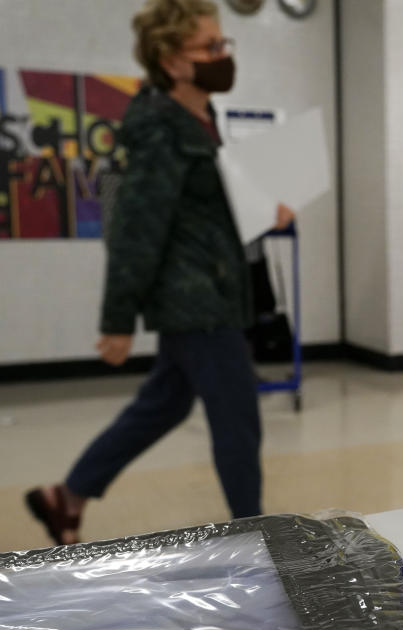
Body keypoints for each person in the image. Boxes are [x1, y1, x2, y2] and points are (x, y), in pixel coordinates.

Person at [25, 0, 295, 546]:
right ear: (171, 61)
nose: (223, 56)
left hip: (214, 286)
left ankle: (66, 496)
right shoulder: (156, 127)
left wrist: (264, 209)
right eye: (210, 47)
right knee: (238, 419)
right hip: (194, 298)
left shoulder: (201, 116)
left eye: (224, 44)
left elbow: (205, 207)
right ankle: (257, 536)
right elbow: (134, 227)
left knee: (165, 402)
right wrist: (118, 320)